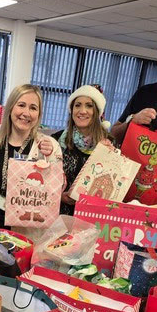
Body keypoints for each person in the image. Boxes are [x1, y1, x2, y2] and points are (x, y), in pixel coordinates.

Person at [0, 84, 62, 229]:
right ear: (10, 108)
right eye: (21, 105)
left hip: (27, 234)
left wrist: (50, 159)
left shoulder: (48, 147)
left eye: (33, 108)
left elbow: (57, 190)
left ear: (39, 114)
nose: (26, 113)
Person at [51, 84, 113, 215]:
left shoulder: (109, 143)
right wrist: (60, 196)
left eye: (89, 105)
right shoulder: (56, 141)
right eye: (77, 105)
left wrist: (111, 159)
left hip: (92, 219)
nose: (82, 111)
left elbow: (114, 185)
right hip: (58, 218)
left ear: (97, 111)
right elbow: (44, 182)